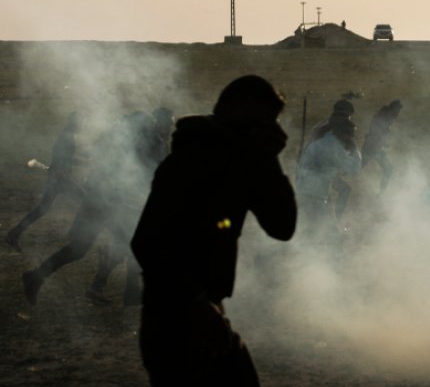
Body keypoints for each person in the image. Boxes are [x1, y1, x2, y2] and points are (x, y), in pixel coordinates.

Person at [130, 75, 296, 386]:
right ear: (236, 112)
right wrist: (196, 303)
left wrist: (269, 160)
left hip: (206, 313)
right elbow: (147, 242)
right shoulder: (189, 161)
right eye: (260, 120)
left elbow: (282, 227)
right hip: (174, 316)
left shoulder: (242, 160)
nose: (266, 128)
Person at [21, 111, 163, 306]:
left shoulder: (118, 144)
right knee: (118, 246)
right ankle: (120, 290)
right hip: (107, 203)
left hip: (101, 202)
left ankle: (37, 277)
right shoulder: (129, 148)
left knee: (87, 249)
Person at [5, 112, 85, 252]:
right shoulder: (67, 137)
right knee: (85, 200)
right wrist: (83, 164)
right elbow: (62, 158)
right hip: (60, 179)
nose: (83, 125)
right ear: (75, 122)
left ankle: (14, 233)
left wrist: (83, 162)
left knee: (43, 208)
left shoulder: (68, 135)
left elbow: (66, 157)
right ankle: (77, 234)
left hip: (59, 177)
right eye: (81, 122)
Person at [295, 114, 361, 248]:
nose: (352, 139)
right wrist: (354, 147)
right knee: (330, 232)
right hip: (313, 194)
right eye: (351, 136)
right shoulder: (333, 147)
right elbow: (354, 167)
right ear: (343, 134)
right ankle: (333, 262)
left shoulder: (326, 141)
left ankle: (284, 256)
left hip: (310, 191)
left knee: (315, 229)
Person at [361, 100, 403, 192]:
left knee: (388, 169)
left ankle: (382, 193)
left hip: (374, 147)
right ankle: (382, 193)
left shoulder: (386, 116)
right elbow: (376, 133)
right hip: (372, 147)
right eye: (398, 110)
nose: (398, 113)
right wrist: (382, 142)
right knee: (356, 168)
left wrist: (382, 143)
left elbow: (377, 133)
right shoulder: (385, 117)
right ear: (393, 109)